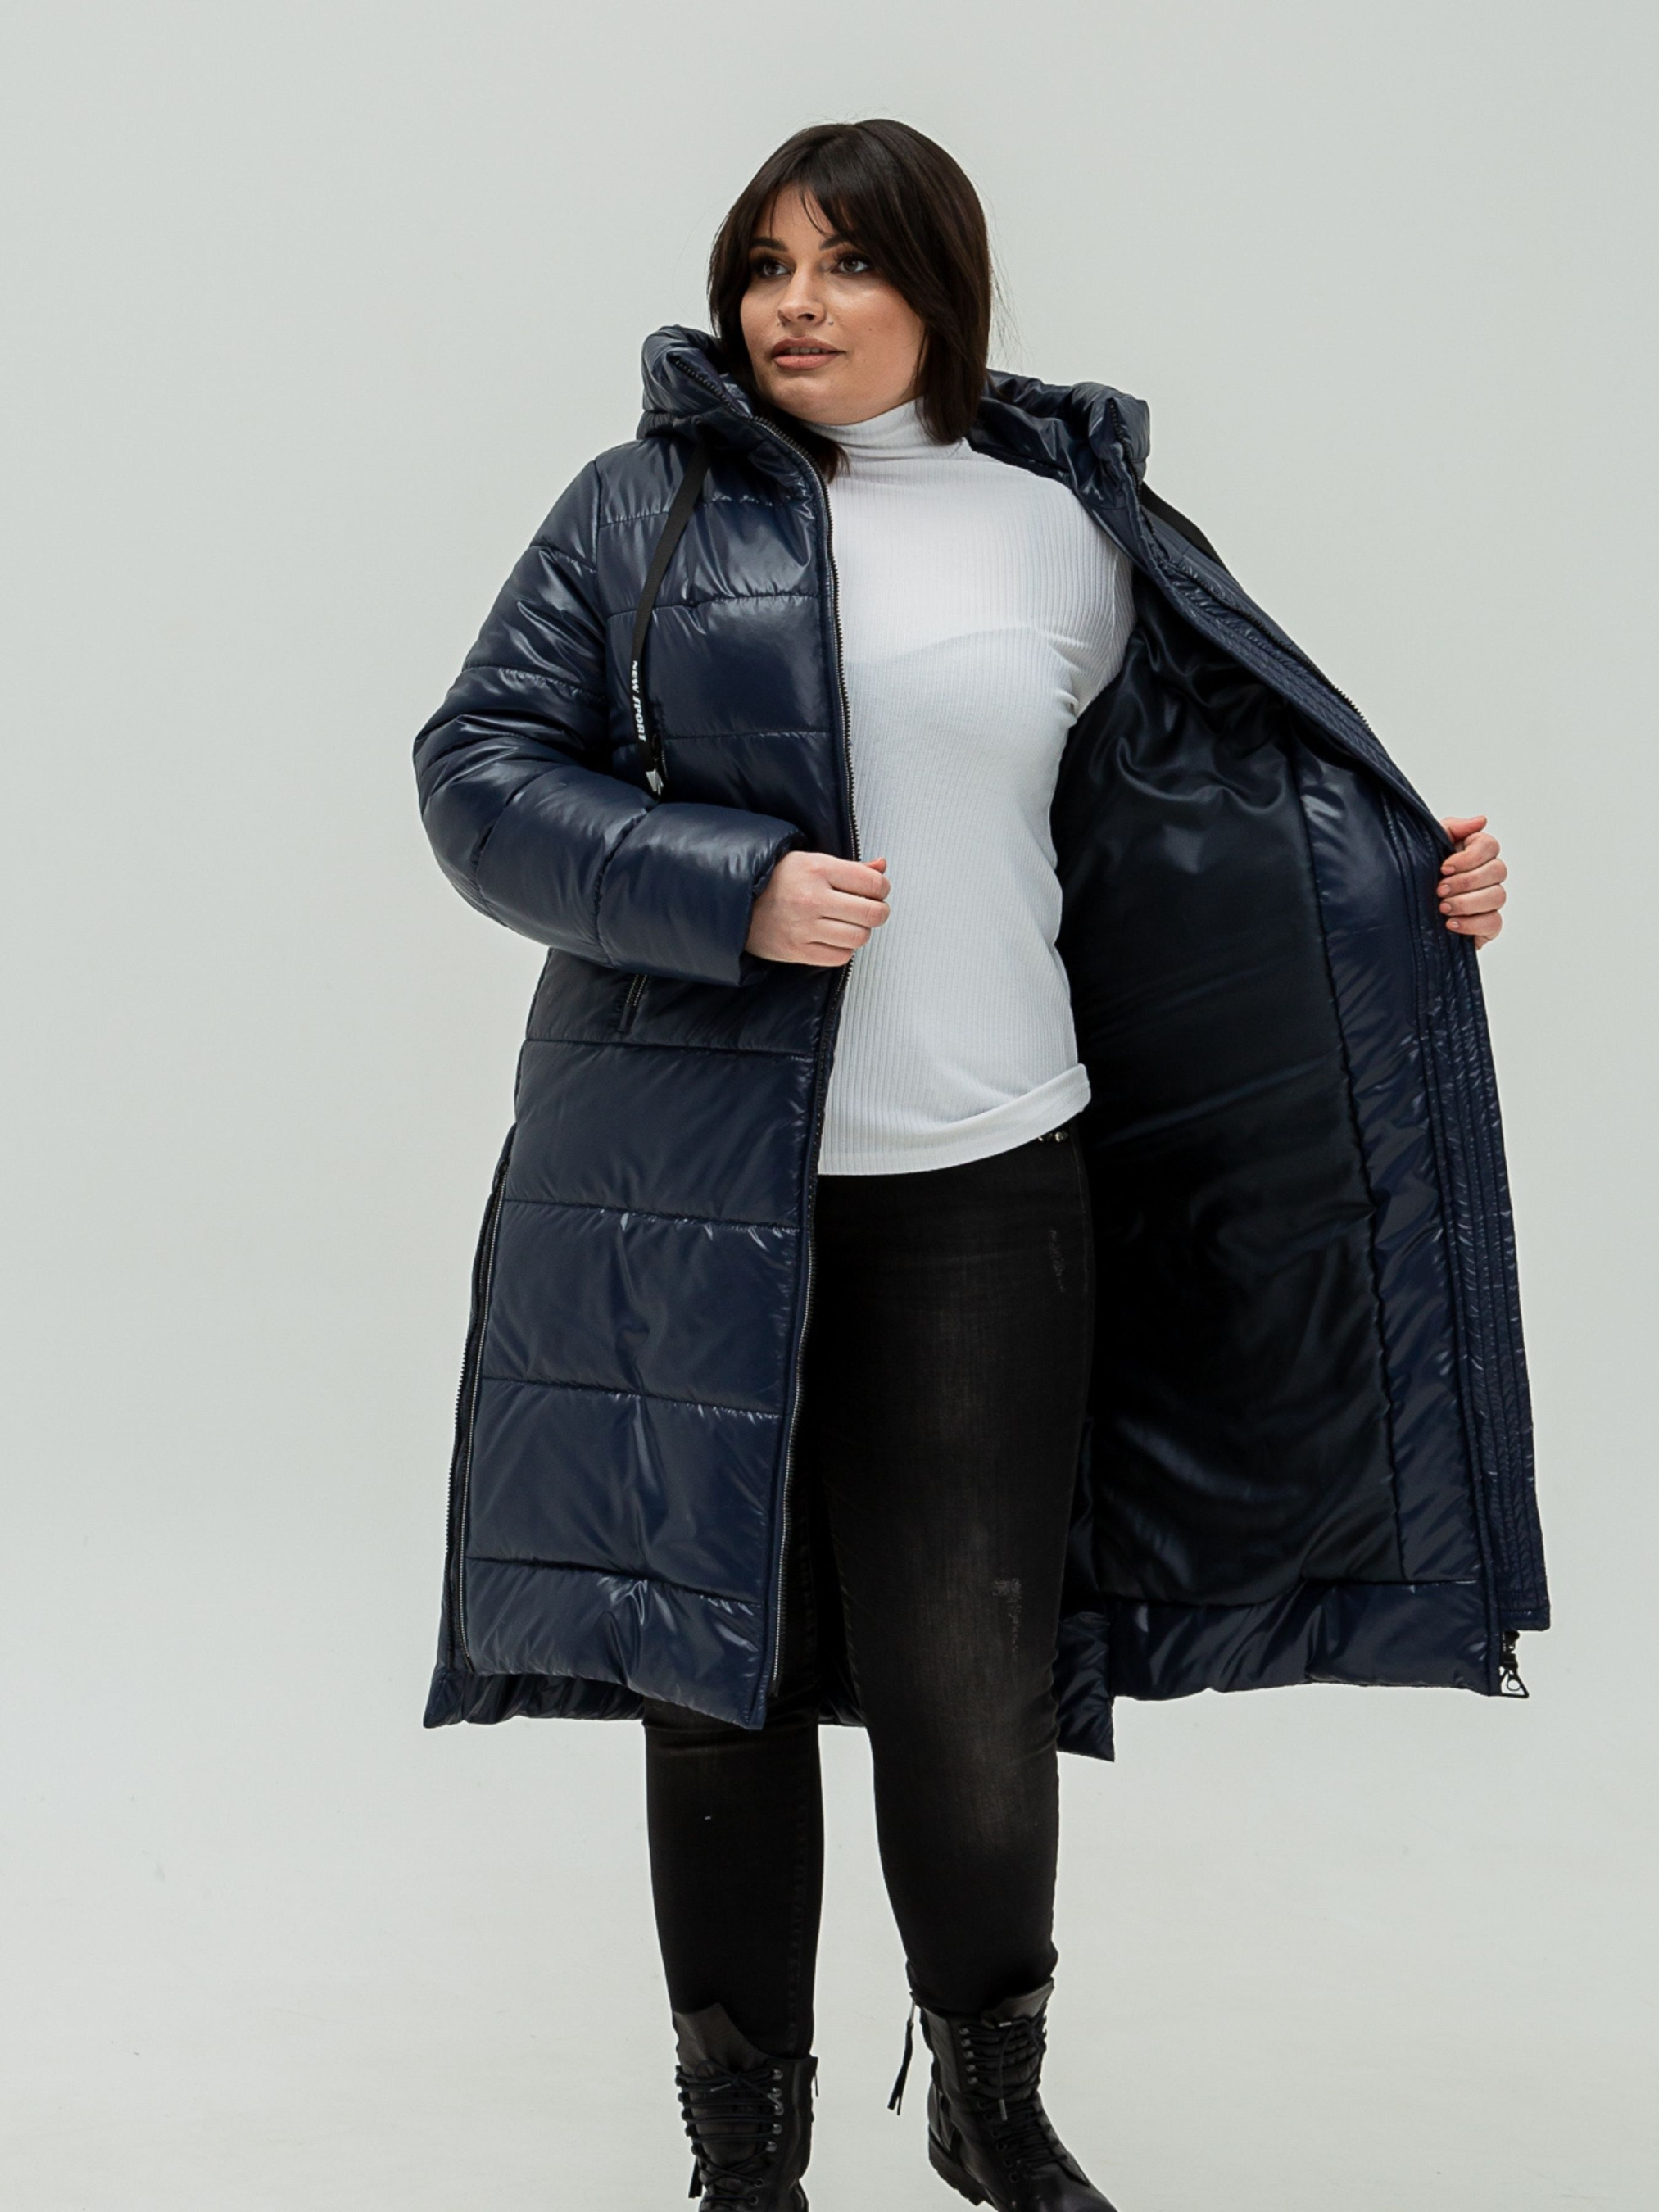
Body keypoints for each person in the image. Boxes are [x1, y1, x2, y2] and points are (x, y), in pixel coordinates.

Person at [413, 119, 1543, 2212]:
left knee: (972, 1681)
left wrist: (1409, 888)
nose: (793, 305)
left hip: (983, 1185)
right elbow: (476, 776)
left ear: (942, 288)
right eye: (764, 262)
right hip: (678, 1193)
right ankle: (744, 2155)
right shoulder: (638, 511)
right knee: (714, 1684)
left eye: (845, 263)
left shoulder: (1064, 533)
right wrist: (728, 885)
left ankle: (988, 2107)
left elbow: (1205, 827)